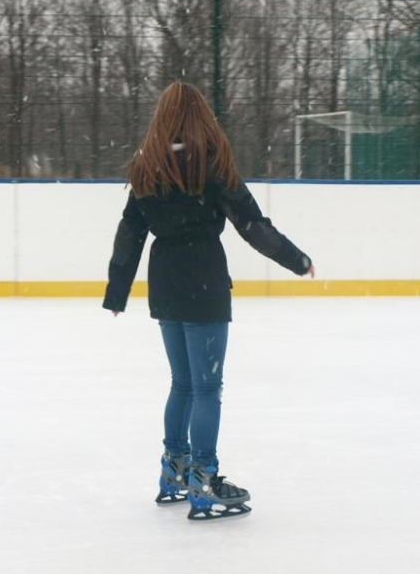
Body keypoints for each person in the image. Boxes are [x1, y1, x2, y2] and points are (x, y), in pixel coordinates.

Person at [103, 82, 314, 521]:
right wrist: (297, 259)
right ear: (203, 117)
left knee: (183, 384)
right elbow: (252, 224)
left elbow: (129, 235)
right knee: (206, 388)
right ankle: (204, 478)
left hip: (165, 285)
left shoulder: (147, 167)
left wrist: (117, 290)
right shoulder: (210, 164)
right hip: (203, 283)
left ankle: (175, 469)